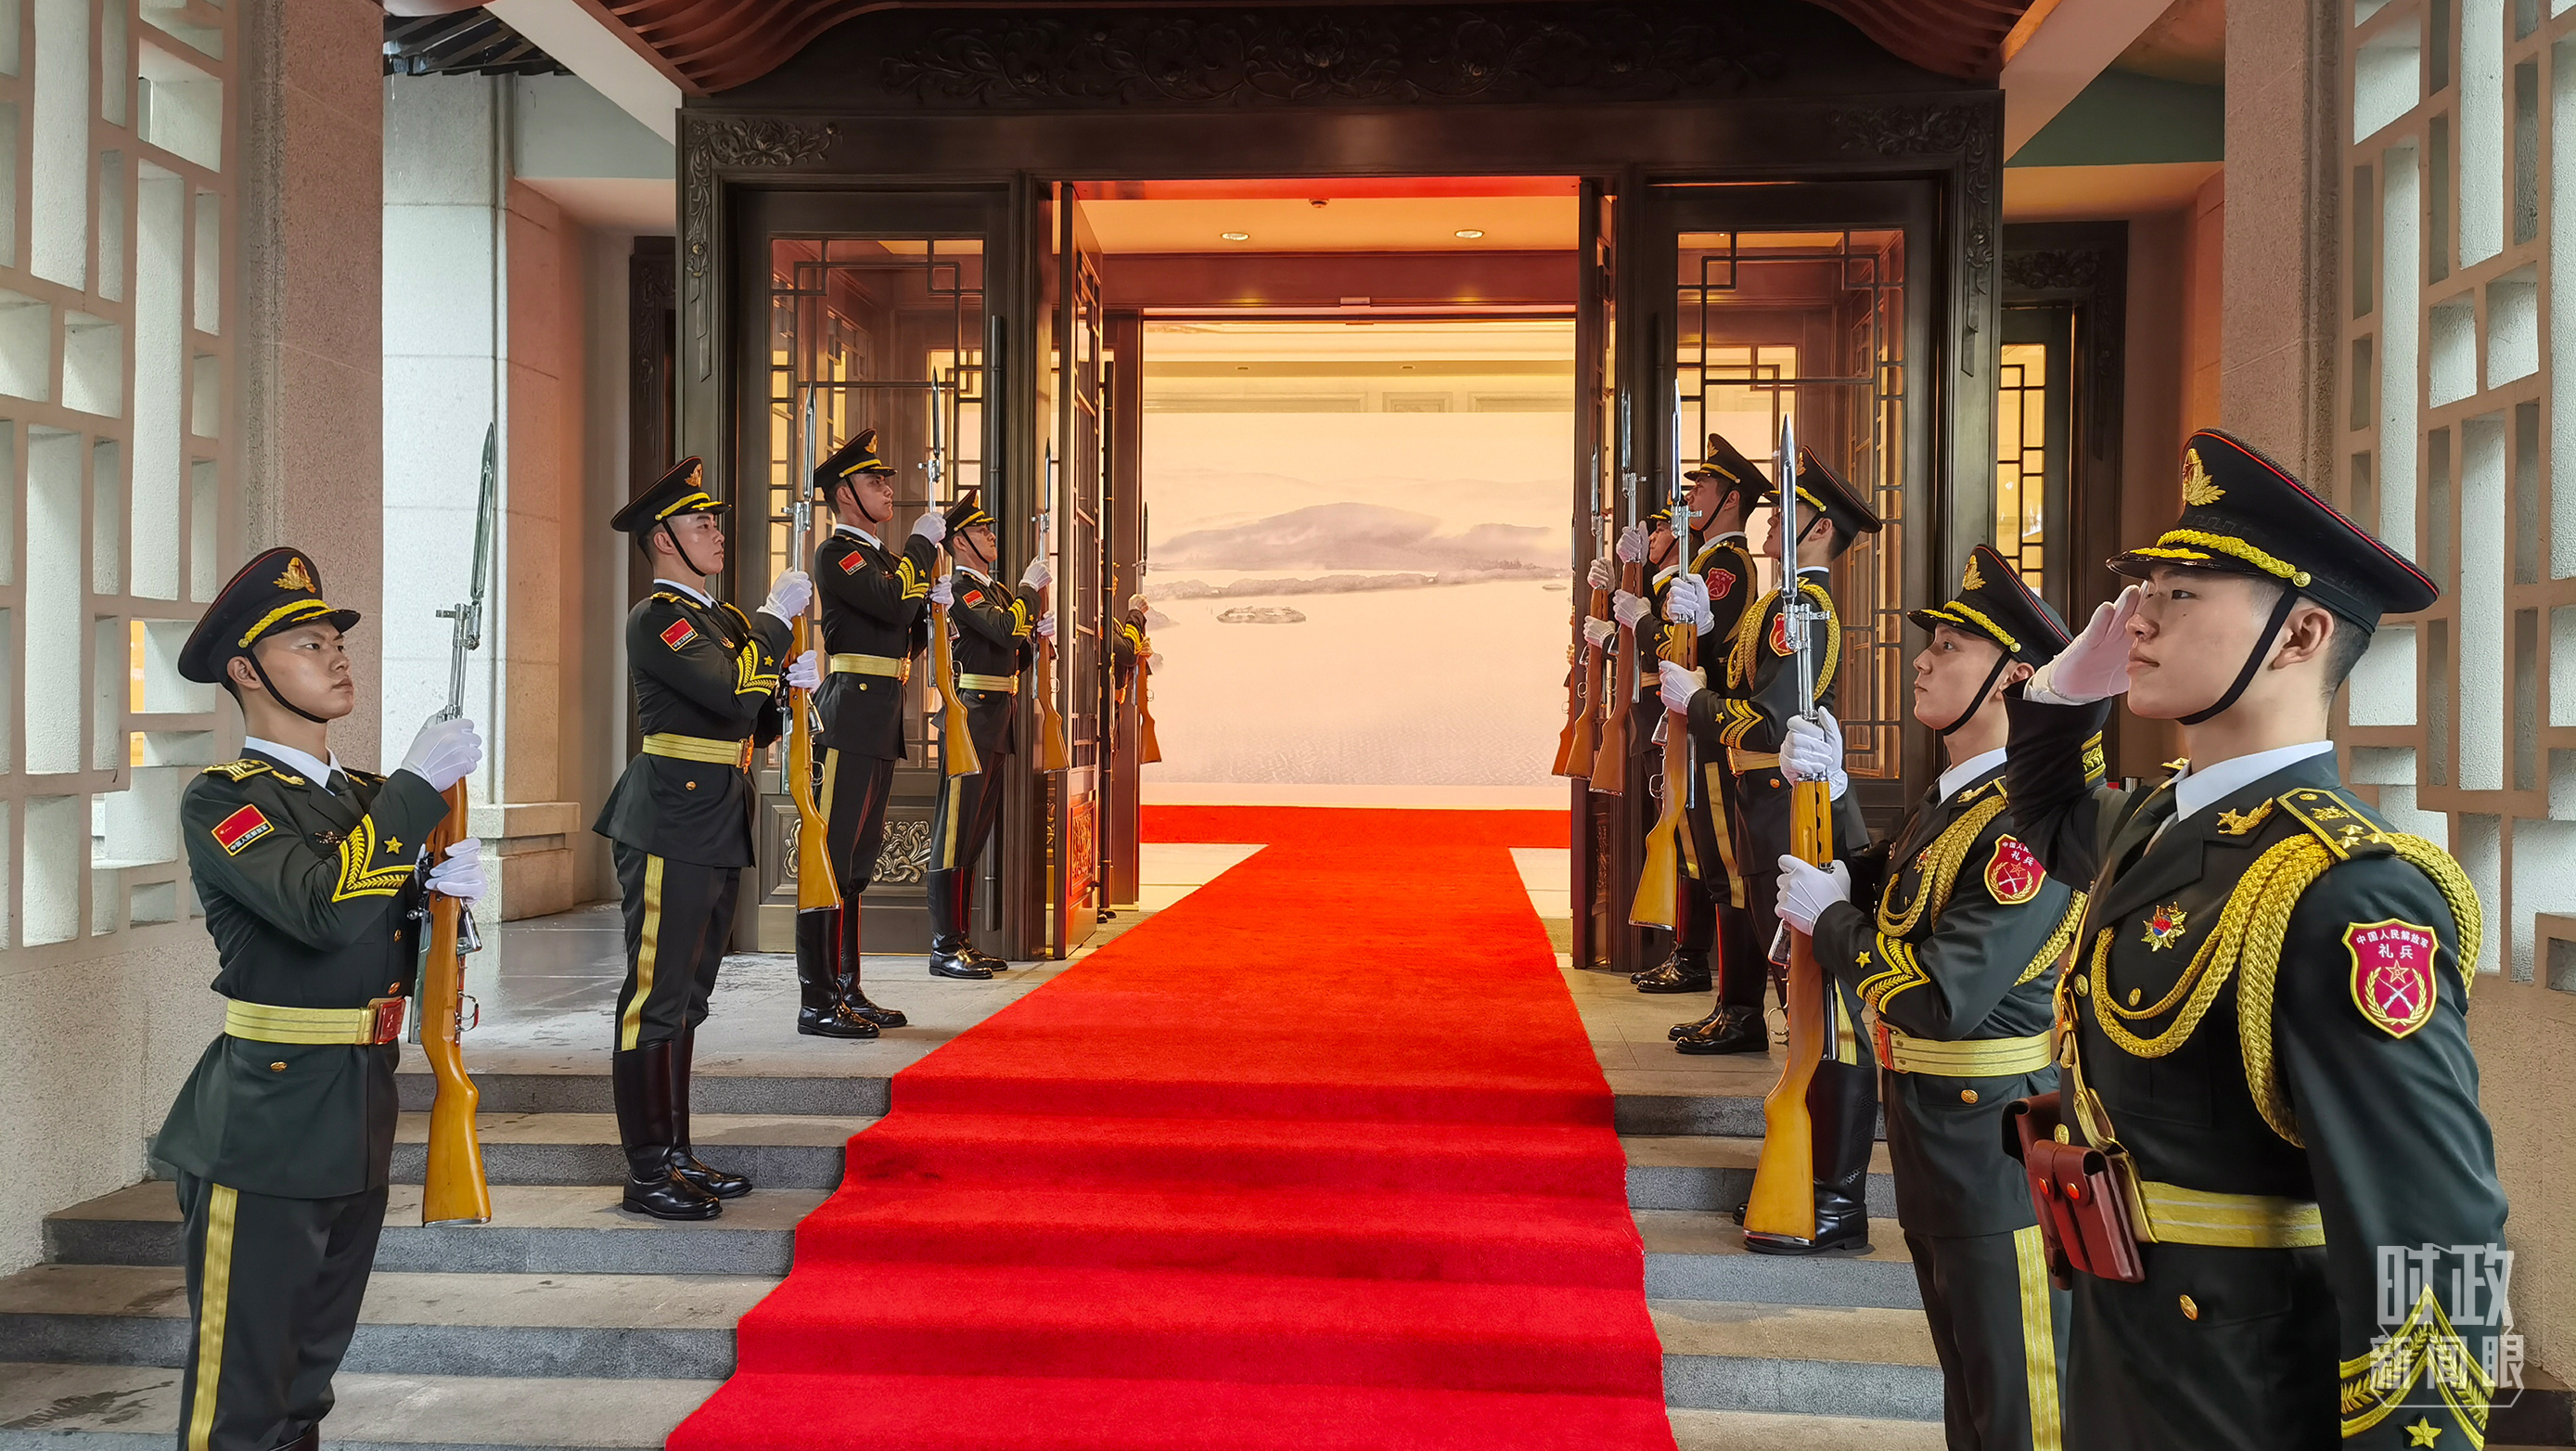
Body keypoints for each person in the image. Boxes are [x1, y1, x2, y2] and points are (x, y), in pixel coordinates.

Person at [1999, 429, 2505, 1450]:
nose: (2137, 618)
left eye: (2181, 593)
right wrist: (2057, 695)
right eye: (2145, 589)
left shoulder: (2345, 890)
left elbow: (2435, 1229)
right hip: (2127, 1352)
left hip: (2244, 1394)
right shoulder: (2159, 821)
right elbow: (2048, 820)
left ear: (2299, 634)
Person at [157, 547, 486, 1451]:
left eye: (335, 640)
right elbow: (321, 910)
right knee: (243, 1399)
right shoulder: (225, 801)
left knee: (306, 1383)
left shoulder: (369, 799)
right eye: (308, 644)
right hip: (264, 1122)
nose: (336, 655)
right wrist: (415, 793)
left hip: (357, 1107)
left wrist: (441, 895)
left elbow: (385, 935)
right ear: (246, 671)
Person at [1770, 544, 2086, 1449]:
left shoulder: (2022, 825)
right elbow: (1886, 890)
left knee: (2022, 1408)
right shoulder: (1957, 801)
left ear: (2012, 678)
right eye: (1930, 642)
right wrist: (1833, 793)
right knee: (1971, 1402)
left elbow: (1943, 994)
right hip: (1933, 1131)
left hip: (1994, 1145)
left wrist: (1831, 922)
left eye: (1949, 646)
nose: (1921, 659)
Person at [1659, 449, 1878, 1255]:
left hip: (1797, 815)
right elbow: (1753, 686)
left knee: (1823, 1011)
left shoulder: (1803, 608)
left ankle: (1832, 1192)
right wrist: (1704, 635)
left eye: (1786, 512)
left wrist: (1701, 703)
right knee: (1800, 1005)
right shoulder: (1779, 606)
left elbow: (1774, 716)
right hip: (1768, 810)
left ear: (1818, 530)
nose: (1770, 519)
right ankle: (1807, 1174)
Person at [595, 456, 810, 1219]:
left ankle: (677, 1154)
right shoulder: (661, 618)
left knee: (688, 996)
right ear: (664, 540)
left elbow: (749, 719)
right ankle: (647, 1170)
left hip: (716, 812)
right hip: (669, 817)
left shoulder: (722, 621)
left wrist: (788, 688)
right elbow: (726, 692)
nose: (717, 533)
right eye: (700, 523)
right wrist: (775, 625)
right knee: (654, 995)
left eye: (715, 522)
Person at [808, 429, 946, 1036]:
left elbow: (901, 632)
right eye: (874, 481)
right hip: (849, 718)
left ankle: (847, 988)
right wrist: (920, 548)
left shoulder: (883, 560)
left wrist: (932, 610)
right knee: (832, 861)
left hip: (881, 715)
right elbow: (891, 603)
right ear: (845, 494)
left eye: (887, 480)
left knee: (857, 865)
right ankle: (818, 999)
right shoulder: (838, 553)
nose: (888, 489)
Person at [1636, 434, 1766, 1026]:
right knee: (1699, 854)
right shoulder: (1704, 563)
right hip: (1696, 725)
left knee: (1725, 869)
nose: (1691, 497)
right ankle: (1707, 979)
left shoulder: (1727, 565)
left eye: (1703, 487)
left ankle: (1738, 1006)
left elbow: (1692, 650)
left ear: (1730, 499)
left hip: (1715, 730)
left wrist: (1647, 617)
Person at [926, 493, 1054, 978]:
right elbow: (1002, 630)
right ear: (960, 542)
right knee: (954, 832)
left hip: (997, 717)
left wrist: (1037, 636)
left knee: (974, 833)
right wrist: (1027, 592)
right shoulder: (963, 588)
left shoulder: (993, 590)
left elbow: (1011, 651)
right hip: (970, 719)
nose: (991, 535)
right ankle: (944, 946)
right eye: (981, 531)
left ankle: (960, 939)